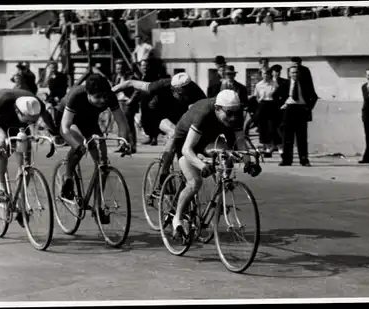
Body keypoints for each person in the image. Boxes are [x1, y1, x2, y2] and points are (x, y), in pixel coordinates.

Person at [169, 90, 249, 236]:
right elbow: (187, 149)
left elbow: (241, 143)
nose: (233, 118)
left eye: (236, 113)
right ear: (217, 109)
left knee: (227, 155)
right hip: (186, 141)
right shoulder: (203, 114)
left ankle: (218, 196)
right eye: (229, 113)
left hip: (208, 139)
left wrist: (248, 162)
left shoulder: (235, 113)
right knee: (195, 182)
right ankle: (177, 219)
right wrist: (202, 165)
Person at [0, 88, 59, 227]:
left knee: (26, 160)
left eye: (32, 122)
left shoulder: (37, 104)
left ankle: (20, 199)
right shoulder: (3, 101)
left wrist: (54, 133)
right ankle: (0, 188)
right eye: (28, 120)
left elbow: (47, 120)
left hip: (17, 123)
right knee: (3, 142)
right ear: (18, 112)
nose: (30, 124)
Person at [112, 72, 206, 188]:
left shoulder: (196, 91)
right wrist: (108, 92)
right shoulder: (162, 84)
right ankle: (164, 175)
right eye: (181, 94)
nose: (184, 97)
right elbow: (130, 83)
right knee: (174, 132)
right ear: (173, 88)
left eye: (187, 93)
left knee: (183, 144)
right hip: (154, 114)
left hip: (177, 115)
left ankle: (182, 174)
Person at [58, 74, 131, 206]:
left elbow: (121, 122)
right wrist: (77, 145)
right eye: (97, 97)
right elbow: (65, 127)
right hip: (68, 118)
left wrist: (123, 140)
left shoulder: (109, 96)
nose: (103, 101)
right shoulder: (76, 95)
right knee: (80, 144)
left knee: (102, 161)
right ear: (87, 93)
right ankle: (68, 179)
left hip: (89, 119)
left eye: (105, 97)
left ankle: (98, 205)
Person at [279, 66, 318, 166]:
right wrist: (282, 105)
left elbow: (314, 97)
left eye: (296, 72)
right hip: (289, 109)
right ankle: (287, 160)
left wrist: (308, 108)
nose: (294, 75)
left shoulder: (305, 84)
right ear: (289, 74)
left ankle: (304, 159)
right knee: (287, 137)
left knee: (302, 137)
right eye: (292, 73)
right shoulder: (285, 84)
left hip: (301, 110)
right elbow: (275, 95)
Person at [253, 68, 279, 157]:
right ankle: (267, 148)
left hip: (272, 105)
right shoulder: (258, 85)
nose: (266, 75)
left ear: (270, 75)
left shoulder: (274, 84)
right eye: (264, 74)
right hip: (262, 105)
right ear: (261, 74)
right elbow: (256, 96)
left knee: (272, 126)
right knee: (262, 127)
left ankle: (274, 146)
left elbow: (276, 94)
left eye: (267, 74)